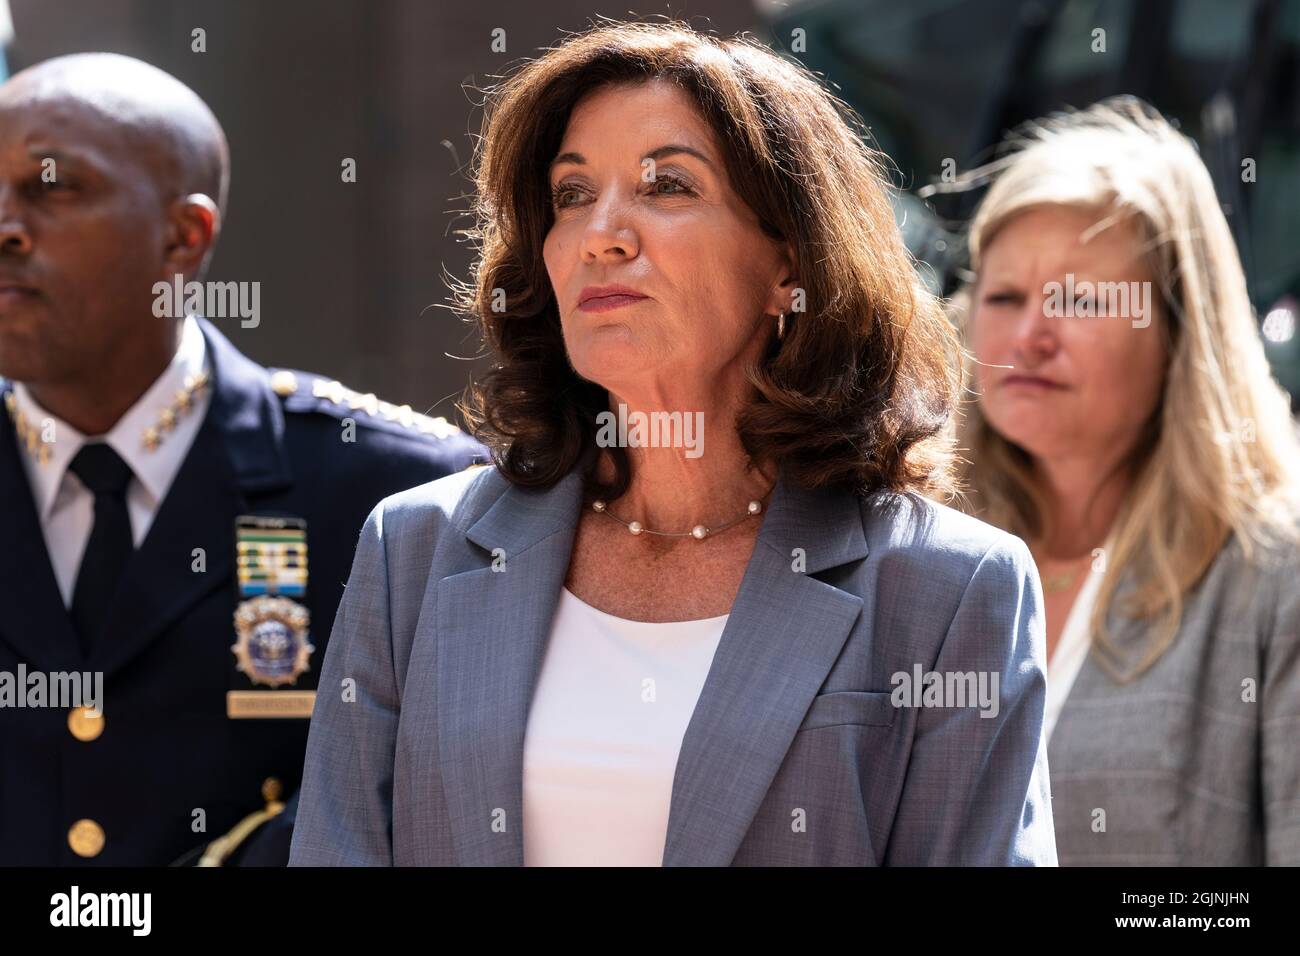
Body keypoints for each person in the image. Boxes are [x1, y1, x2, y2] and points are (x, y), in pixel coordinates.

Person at [290, 21, 1056, 867]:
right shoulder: (415, 554)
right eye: (573, 195)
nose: (601, 234)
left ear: (789, 268)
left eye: (667, 187)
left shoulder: (949, 588)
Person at [0, 52, 484, 866]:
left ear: (182, 238)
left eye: (55, 187)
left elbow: (428, 799)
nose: (6, 225)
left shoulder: (400, 491)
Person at [956, 97, 1300, 864]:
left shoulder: (1275, 577)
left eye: (1080, 301)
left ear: (1183, 331)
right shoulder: (919, 548)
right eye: (1004, 297)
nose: (1028, 336)